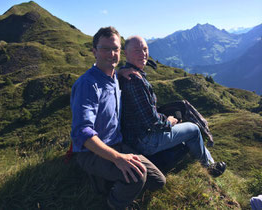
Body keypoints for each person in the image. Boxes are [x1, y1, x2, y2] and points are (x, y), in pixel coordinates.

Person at [70, 27, 166, 209]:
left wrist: (121, 73)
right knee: (138, 177)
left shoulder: (115, 77)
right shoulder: (88, 85)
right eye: (105, 49)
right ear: (94, 51)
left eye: (116, 49)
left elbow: (113, 74)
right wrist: (117, 158)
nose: (111, 54)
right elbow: (82, 132)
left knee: (158, 181)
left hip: (117, 143)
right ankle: (113, 203)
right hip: (92, 152)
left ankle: (107, 182)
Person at [119, 35, 226, 176]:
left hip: (135, 136)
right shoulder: (134, 80)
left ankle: (210, 161)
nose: (143, 53)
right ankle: (208, 168)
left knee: (182, 122)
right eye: (137, 50)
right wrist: (169, 121)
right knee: (193, 129)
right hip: (145, 141)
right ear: (126, 53)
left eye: (145, 49)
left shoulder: (127, 74)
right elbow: (152, 122)